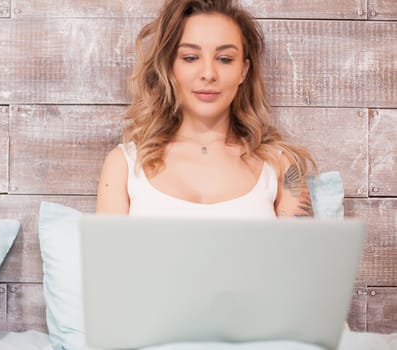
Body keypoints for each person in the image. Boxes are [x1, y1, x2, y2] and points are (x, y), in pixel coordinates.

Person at [96, 0, 315, 217]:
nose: (208, 73)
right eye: (190, 58)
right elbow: (106, 252)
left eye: (224, 59)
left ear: (243, 71)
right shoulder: (123, 165)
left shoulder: (280, 166)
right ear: (169, 67)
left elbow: (304, 251)